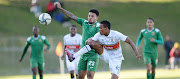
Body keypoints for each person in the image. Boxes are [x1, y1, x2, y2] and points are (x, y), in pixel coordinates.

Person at [65, 20, 142, 79]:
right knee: (92, 44)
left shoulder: (116, 34)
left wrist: (137, 54)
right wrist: (88, 41)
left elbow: (130, 42)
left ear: (106, 28)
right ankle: (73, 56)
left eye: (101, 28)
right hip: (105, 54)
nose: (99, 30)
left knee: (114, 77)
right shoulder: (98, 34)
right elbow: (91, 41)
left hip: (116, 59)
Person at [55, 2, 100, 79]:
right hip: (83, 55)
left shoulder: (98, 26)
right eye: (89, 16)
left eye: (92, 16)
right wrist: (61, 9)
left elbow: (101, 39)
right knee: (79, 77)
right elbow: (72, 16)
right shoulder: (84, 22)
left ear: (97, 18)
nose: (90, 17)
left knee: (90, 76)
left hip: (92, 55)